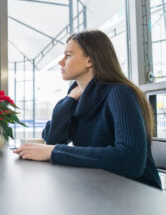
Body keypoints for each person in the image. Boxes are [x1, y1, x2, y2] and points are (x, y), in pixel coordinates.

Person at [13, 30, 162, 190]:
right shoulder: (78, 99)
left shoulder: (119, 93)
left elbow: (130, 160)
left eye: (68, 55)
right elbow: (52, 140)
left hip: (137, 194)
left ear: (90, 61)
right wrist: (68, 101)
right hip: (101, 187)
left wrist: (55, 152)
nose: (61, 62)